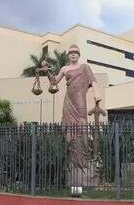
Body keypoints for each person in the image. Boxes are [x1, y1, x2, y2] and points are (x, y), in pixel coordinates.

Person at [39, 44, 101, 186]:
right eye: (71, 53)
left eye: (75, 52)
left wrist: (96, 93)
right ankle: (73, 160)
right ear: (68, 55)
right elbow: (54, 82)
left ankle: (84, 160)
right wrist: (47, 71)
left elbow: (93, 81)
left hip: (80, 100)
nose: (73, 55)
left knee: (82, 126)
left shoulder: (85, 67)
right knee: (68, 129)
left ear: (79, 55)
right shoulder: (64, 69)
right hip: (68, 101)